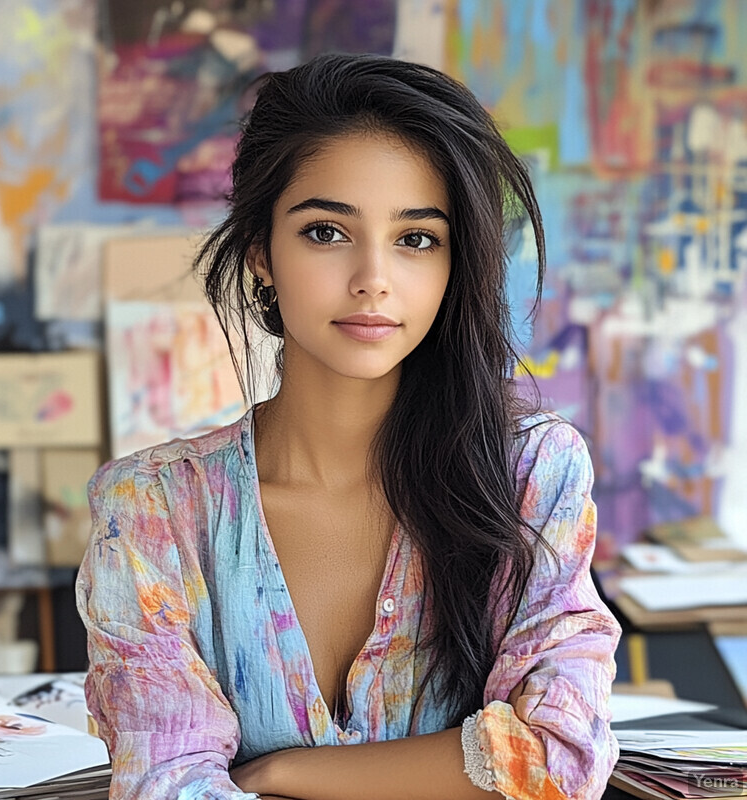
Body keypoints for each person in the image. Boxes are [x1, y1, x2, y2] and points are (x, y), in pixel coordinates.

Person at [76, 52, 622, 800]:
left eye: (416, 238)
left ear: (453, 264)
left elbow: (561, 757)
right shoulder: (154, 510)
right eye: (327, 232)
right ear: (261, 253)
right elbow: (165, 785)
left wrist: (284, 771)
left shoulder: (532, 473)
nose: (374, 277)